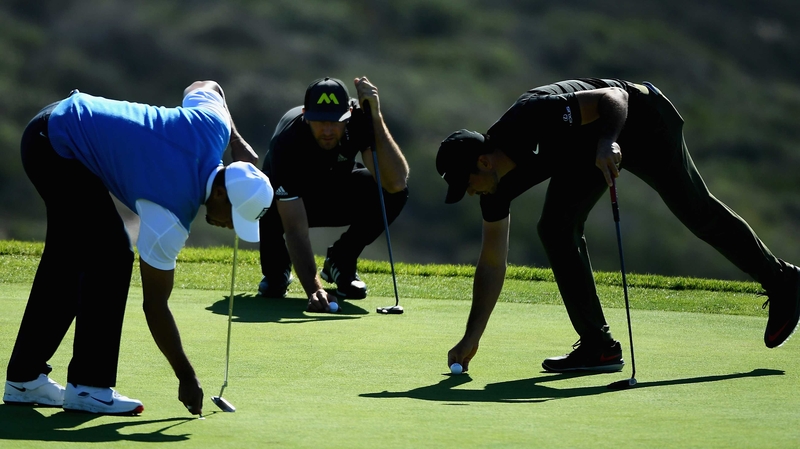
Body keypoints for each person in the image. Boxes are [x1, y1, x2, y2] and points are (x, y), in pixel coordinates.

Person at [436, 78, 800, 374]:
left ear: (483, 162)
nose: (468, 193)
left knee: (696, 212)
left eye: (465, 183)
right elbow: (492, 262)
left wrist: (608, 141)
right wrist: (472, 336)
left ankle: (783, 280)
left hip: (640, 119)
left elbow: (614, 96)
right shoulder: (494, 190)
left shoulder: (530, 116)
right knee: (556, 228)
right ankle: (599, 347)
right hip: (585, 150)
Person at [3, 81, 273, 416]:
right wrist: (186, 376)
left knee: (70, 258)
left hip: (54, 125)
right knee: (111, 254)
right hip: (55, 145)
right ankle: (89, 387)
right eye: (235, 217)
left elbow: (207, 87)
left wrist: (236, 140)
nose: (232, 227)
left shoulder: (212, 126)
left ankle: (24, 380)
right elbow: (155, 305)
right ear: (220, 194)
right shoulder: (169, 214)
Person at [258, 77, 408, 312]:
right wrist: (314, 289)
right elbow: (295, 229)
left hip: (334, 192)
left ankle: (341, 260)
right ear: (306, 115)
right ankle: (278, 269)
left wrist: (375, 117)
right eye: (319, 121)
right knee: (262, 197)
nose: (327, 130)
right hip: (286, 204)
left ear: (348, 114)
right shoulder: (287, 142)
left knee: (393, 193)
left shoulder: (358, 120)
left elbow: (396, 181)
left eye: (336, 122)